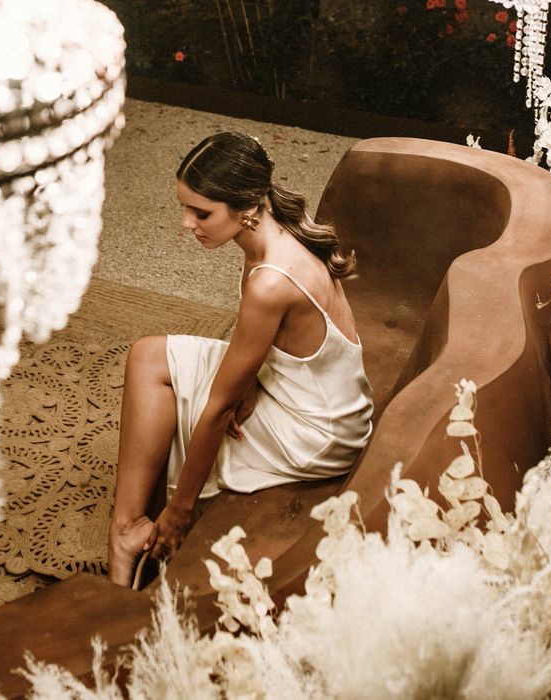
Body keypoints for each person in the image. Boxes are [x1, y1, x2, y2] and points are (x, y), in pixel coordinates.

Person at [108, 131, 373, 587]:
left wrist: (179, 512)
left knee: (188, 405)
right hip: (317, 392)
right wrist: (249, 379)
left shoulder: (271, 280)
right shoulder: (277, 231)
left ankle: (129, 534)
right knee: (148, 356)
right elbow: (281, 337)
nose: (187, 224)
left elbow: (217, 412)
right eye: (185, 208)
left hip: (316, 428)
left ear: (246, 208)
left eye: (201, 212)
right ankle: (129, 525)